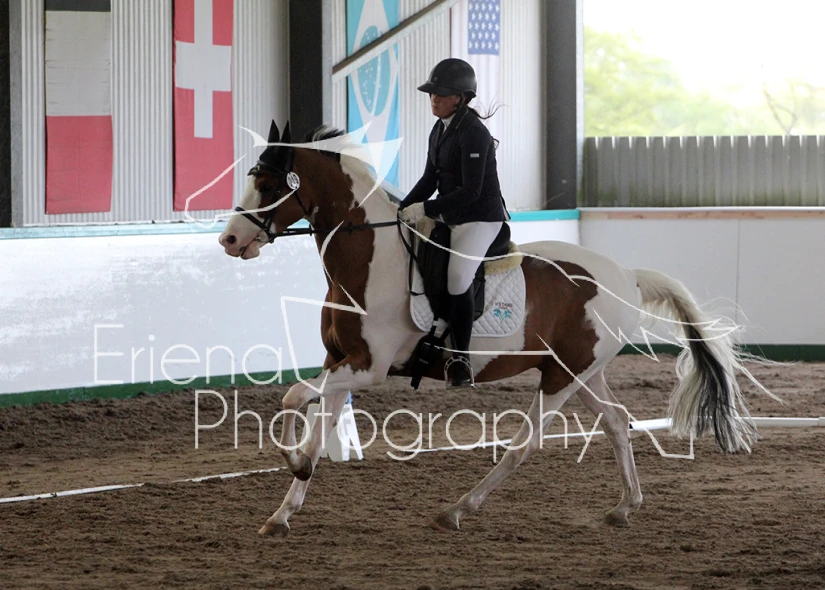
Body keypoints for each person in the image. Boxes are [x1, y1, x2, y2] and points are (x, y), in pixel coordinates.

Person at [398, 58, 509, 388]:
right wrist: (401, 208)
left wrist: (425, 209)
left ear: (461, 98)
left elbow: (471, 191)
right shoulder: (439, 129)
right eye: (432, 93)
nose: (434, 99)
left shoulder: (475, 134)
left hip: (480, 218)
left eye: (442, 94)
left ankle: (461, 358)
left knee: (458, 277)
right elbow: (429, 179)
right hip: (450, 216)